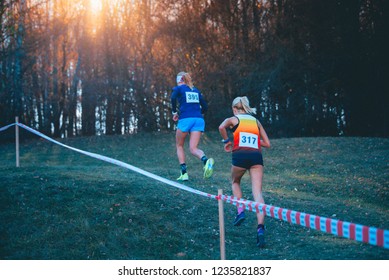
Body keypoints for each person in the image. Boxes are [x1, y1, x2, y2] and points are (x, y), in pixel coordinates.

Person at [218, 96, 271, 248]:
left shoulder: (233, 119)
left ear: (235, 109)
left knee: (235, 182)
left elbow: (221, 127)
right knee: (257, 193)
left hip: (240, 156)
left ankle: (240, 211)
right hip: (256, 157)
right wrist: (254, 138)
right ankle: (260, 228)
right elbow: (267, 144)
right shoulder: (256, 121)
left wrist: (227, 141)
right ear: (246, 108)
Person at [171, 71, 214, 181]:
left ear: (179, 80)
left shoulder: (179, 88)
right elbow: (205, 106)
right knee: (193, 148)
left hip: (186, 119)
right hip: (198, 120)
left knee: (179, 145)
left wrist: (174, 112)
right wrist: (198, 113)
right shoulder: (195, 90)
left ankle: (184, 173)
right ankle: (205, 160)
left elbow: (172, 98)